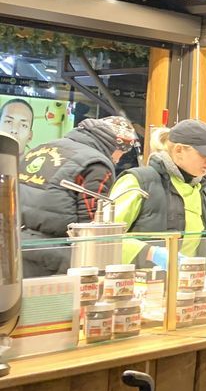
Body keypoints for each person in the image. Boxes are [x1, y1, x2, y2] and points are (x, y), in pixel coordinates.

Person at [110, 120, 206, 269]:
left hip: (186, 286)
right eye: (204, 154)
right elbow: (103, 240)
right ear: (179, 150)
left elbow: (199, 252)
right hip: (138, 286)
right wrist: (151, 253)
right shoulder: (137, 182)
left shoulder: (200, 191)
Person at [17, 115, 137, 276]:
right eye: (123, 152)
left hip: (14, 244)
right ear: (117, 145)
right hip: (55, 258)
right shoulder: (97, 164)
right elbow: (90, 226)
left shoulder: (41, 148)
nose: (119, 159)